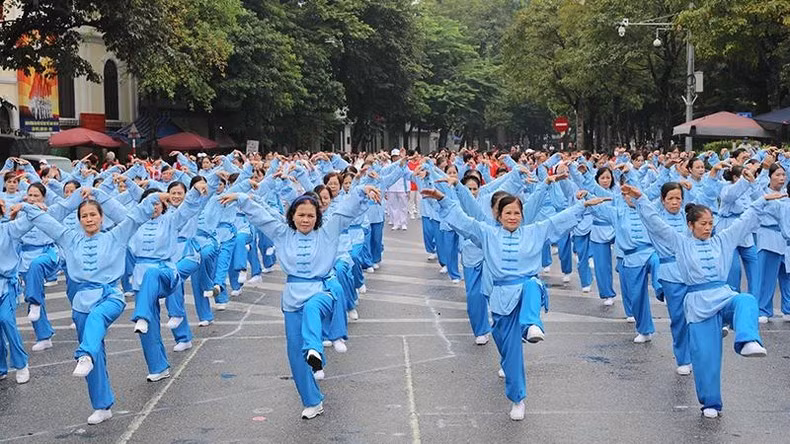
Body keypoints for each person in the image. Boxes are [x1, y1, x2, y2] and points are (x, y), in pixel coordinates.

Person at [420, 187, 609, 420]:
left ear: (522, 215)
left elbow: (558, 221)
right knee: (509, 351)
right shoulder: (487, 233)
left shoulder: (535, 231)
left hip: (526, 290)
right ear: (498, 216)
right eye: (507, 213)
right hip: (500, 297)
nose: (512, 217)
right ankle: (515, 392)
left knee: (532, 284)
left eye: (517, 213)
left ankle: (530, 333)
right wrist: (442, 199)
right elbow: (463, 221)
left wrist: (583, 206)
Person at [219, 184, 381, 419]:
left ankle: (315, 351)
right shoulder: (282, 233)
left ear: (318, 218)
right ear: (292, 216)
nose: (306, 220)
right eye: (301, 215)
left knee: (313, 308)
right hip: (292, 296)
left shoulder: (328, 232)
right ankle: (312, 401)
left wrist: (362, 191)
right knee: (295, 354)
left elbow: (346, 211)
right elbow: (261, 217)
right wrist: (242, 198)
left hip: (321, 290)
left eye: (311, 216)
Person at [627, 184, 779, 418]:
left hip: (723, 296)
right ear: (691, 225)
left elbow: (744, 223)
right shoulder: (681, 243)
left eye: (710, 224)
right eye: (703, 224)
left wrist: (762, 201)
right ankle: (711, 403)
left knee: (746, 300)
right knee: (706, 357)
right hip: (698, 303)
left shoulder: (723, 240)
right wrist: (641, 200)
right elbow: (656, 225)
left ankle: (748, 340)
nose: (708, 228)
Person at [16, 190, 168, 424]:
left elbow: (135, 216)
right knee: (96, 349)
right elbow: (47, 223)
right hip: (81, 302)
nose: (89, 219)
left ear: (101, 217)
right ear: (79, 220)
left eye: (93, 215)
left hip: (110, 296)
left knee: (96, 323)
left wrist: (154, 198)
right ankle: (102, 405)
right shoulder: (70, 238)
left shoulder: (115, 236)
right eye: (84, 215)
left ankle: (84, 354)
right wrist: (25, 207)